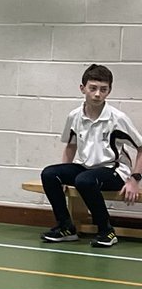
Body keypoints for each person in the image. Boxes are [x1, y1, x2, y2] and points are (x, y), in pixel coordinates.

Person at [39, 64, 142, 249]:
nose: (97, 94)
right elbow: (71, 146)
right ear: (83, 88)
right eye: (93, 88)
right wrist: (62, 177)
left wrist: (134, 180)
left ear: (109, 91)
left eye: (103, 89)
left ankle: (107, 231)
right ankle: (66, 227)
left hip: (114, 170)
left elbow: (141, 148)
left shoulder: (117, 119)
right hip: (85, 167)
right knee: (49, 174)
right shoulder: (74, 116)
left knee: (84, 180)